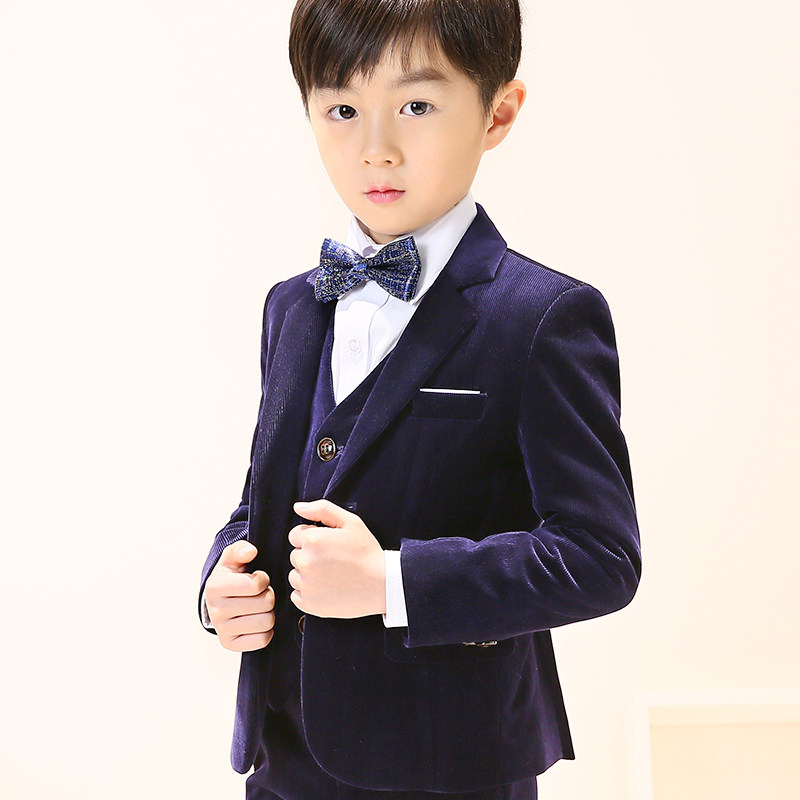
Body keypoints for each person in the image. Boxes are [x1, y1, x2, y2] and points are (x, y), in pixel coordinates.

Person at [199, 1, 641, 798]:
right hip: (284, 757)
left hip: (452, 764)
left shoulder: (544, 316)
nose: (377, 148)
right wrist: (220, 582)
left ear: (498, 112)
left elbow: (599, 557)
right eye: (342, 109)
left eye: (416, 106)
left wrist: (393, 581)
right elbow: (266, 497)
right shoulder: (291, 306)